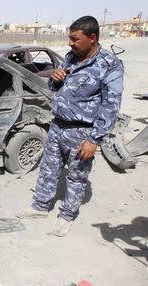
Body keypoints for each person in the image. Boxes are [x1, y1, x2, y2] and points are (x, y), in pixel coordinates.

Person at [16, 16, 124, 237]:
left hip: (82, 132)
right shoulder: (71, 58)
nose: (70, 43)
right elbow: (55, 87)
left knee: (76, 177)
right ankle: (40, 207)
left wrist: (94, 139)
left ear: (92, 38)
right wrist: (54, 79)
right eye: (69, 38)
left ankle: (66, 216)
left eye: (75, 39)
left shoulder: (109, 65)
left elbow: (111, 105)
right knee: (48, 169)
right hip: (58, 125)